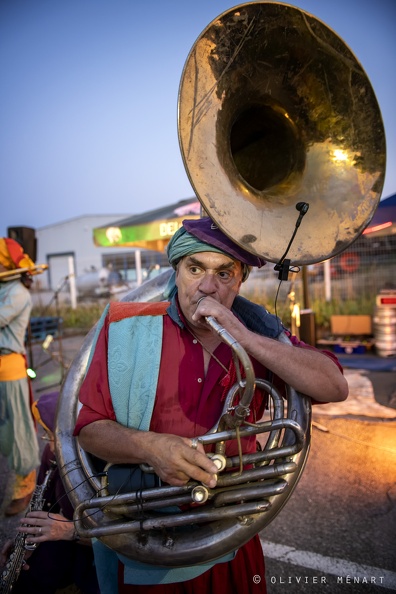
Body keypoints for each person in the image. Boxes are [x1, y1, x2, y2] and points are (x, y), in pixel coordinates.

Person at [74, 217, 349, 593]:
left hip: (231, 537)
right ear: (176, 271)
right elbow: (87, 428)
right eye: (195, 268)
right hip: (146, 541)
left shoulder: (256, 331)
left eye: (224, 274)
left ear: (240, 282)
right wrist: (150, 447)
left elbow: (334, 386)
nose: (207, 287)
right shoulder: (125, 326)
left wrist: (242, 334)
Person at [0, 391, 100, 594]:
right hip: (66, 537)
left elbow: (124, 540)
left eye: (52, 435)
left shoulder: (99, 464)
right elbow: (44, 504)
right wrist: (25, 543)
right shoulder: (53, 452)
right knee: (26, 577)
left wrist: (70, 530)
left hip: (96, 550)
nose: (49, 444)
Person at [0, 237, 40, 516]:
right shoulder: (6, 288)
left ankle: (25, 487)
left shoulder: (16, 292)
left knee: (17, 431)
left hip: (10, 367)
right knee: (5, 430)